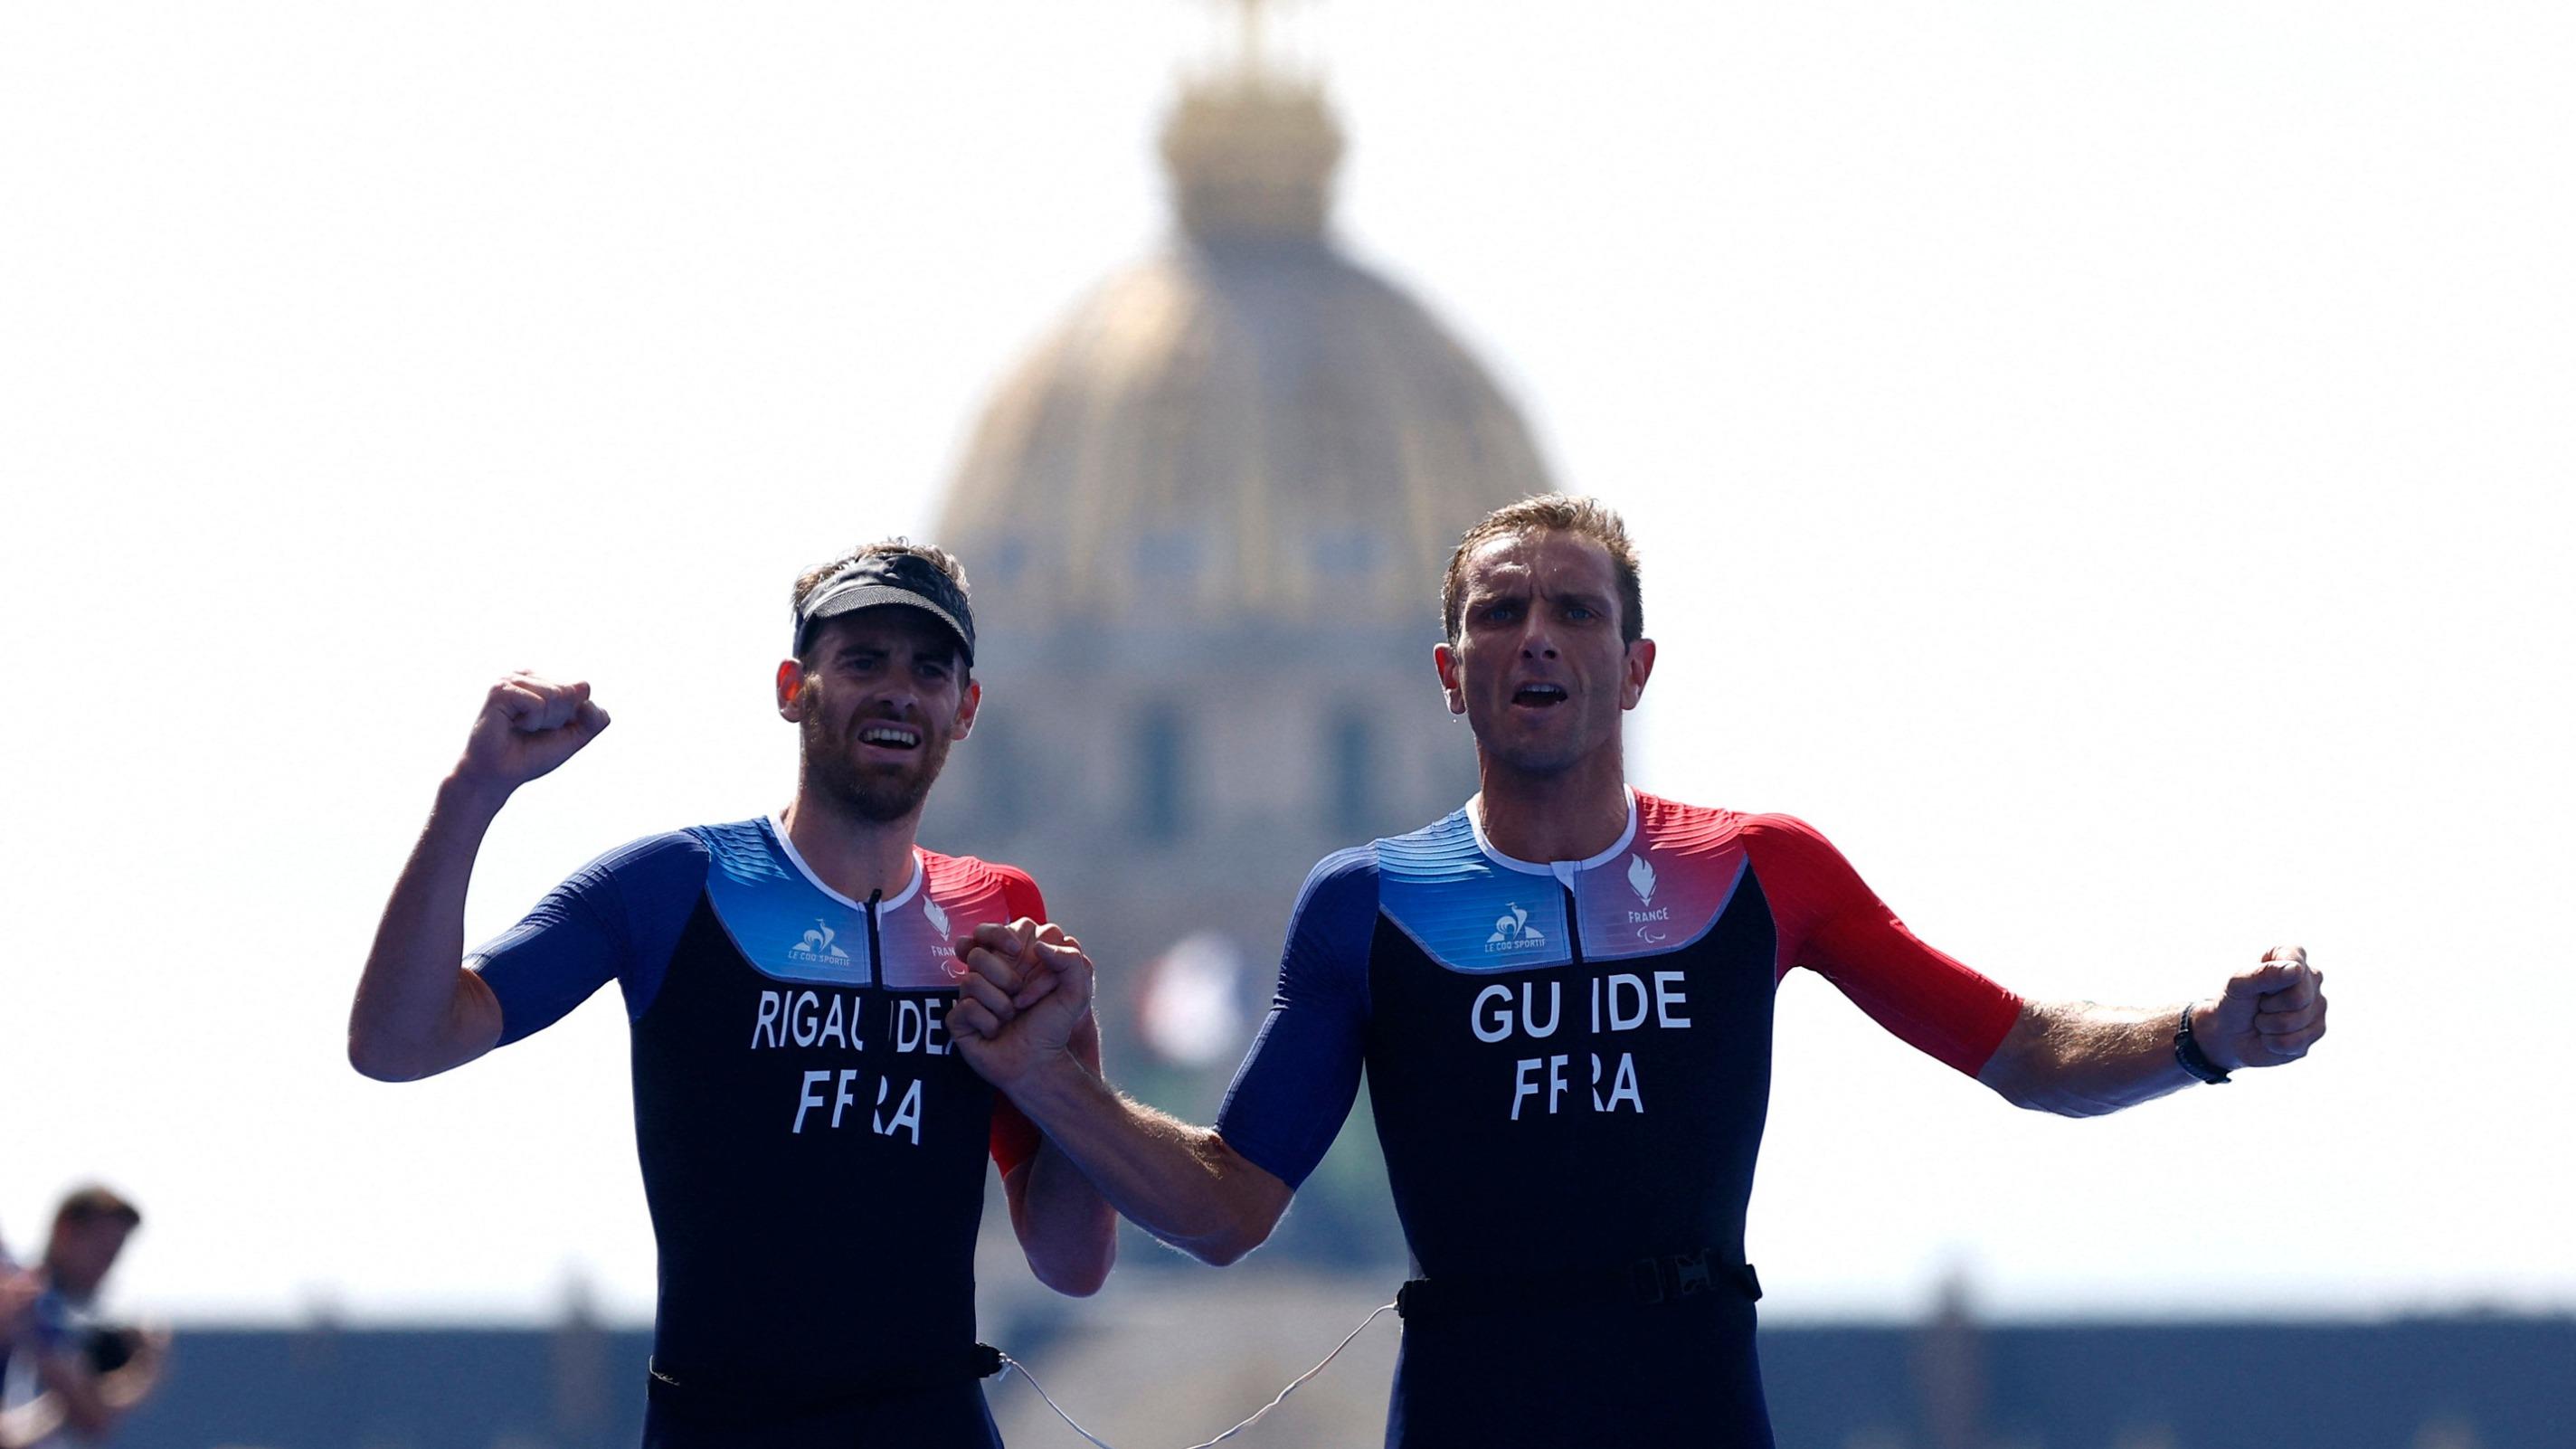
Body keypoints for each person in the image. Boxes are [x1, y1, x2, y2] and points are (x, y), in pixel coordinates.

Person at [943, 495, 2330, 1448]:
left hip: (1694, 1400)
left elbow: (2023, 1050)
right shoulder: (1367, 902)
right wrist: (1048, 1079)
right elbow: (1230, 1204)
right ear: (1447, 670)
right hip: (1474, 1399)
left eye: (1572, 611)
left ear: (1636, 662)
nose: (1535, 634)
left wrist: (2199, 1035)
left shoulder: (1760, 866)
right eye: (1499, 614)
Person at [347, 540, 1115, 1448]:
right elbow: (397, 1044)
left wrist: (1076, 1052)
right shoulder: (673, 883)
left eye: (930, 668)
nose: (898, 690)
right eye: (861, 660)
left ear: (965, 709)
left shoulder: (999, 910)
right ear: (794, 688)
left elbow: (1072, 1262)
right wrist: (472, 794)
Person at [0, 1188, 167, 1448]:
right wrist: (141, 1374)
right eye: (102, 1250)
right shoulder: (32, 1305)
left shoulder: (53, 1315)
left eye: (113, 1255)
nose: (106, 1266)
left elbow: (90, 1416)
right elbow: (91, 1418)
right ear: (65, 1231)